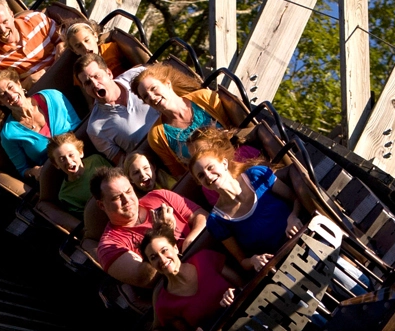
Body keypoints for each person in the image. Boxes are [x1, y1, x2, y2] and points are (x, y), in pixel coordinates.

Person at [189, 130, 300, 271]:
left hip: (302, 235)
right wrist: (254, 260)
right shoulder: (216, 221)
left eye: (210, 168)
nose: (209, 176)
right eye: (201, 175)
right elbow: (242, 260)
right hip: (282, 264)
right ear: (200, 183)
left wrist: (293, 216)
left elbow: (296, 198)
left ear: (224, 163)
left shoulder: (256, 175)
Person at [92, 168, 207, 287]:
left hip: (208, 254)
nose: (127, 200)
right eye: (117, 197)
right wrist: (161, 234)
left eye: (128, 191)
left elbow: (203, 216)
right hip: (182, 285)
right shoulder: (109, 246)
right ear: (101, 205)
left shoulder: (160, 196)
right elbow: (144, 279)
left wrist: (190, 242)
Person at [142, 225, 238, 331]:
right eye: (154, 257)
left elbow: (242, 284)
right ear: (151, 264)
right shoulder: (164, 304)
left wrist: (233, 293)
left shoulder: (204, 258)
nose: (162, 260)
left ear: (175, 248)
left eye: (164, 251)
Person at [133, 65, 246, 178]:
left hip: (239, 156)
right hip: (211, 179)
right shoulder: (156, 136)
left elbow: (237, 127)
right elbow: (179, 173)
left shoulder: (204, 97)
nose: (152, 97)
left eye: (153, 88)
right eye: (146, 97)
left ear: (167, 84)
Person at [0, 70, 81, 180]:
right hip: (57, 176)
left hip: (83, 157)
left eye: (11, 87)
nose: (11, 95)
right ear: (0, 102)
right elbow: (23, 170)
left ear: (18, 84)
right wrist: (34, 171)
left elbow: (79, 126)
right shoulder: (9, 134)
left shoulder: (53, 96)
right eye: (3, 95)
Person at [77, 55, 158, 161]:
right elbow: (124, 163)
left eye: (97, 76)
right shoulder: (96, 128)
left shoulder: (138, 75)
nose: (95, 84)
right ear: (85, 89)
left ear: (109, 73)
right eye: (87, 83)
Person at [0, 0, 60, 86]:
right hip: (40, 90)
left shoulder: (37, 19)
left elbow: (64, 39)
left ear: (11, 14)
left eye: (5, 22)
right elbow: (6, 90)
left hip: (62, 68)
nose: (3, 30)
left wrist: (61, 45)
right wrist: (28, 81)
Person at [47, 132, 110, 215]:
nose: (69, 161)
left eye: (71, 155)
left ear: (80, 152)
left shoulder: (96, 160)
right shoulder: (66, 195)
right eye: (62, 159)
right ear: (56, 165)